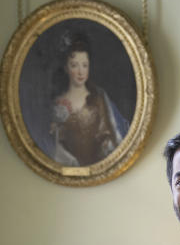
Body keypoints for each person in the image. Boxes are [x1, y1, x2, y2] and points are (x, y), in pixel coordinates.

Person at [47, 31, 129, 166]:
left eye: (85, 65)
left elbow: (110, 137)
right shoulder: (57, 103)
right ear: (66, 68)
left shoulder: (99, 97)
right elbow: (54, 146)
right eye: (74, 65)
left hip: (101, 168)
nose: (80, 71)